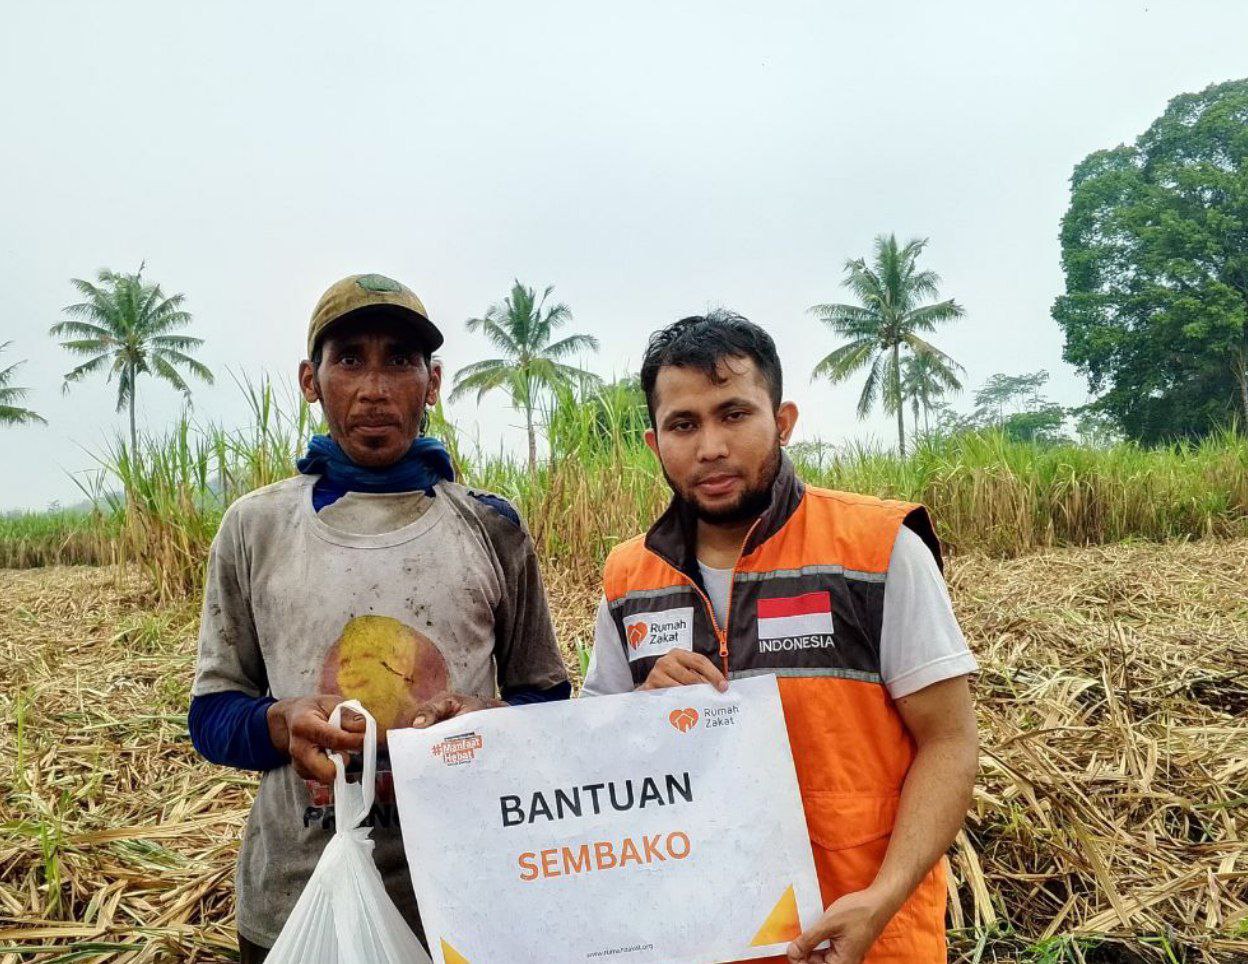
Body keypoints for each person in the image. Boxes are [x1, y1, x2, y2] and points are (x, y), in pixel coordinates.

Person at [188, 273, 569, 961]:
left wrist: (493, 719)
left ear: (433, 383)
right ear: (311, 379)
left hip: (460, 903)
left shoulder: (491, 527)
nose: (373, 387)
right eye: (349, 359)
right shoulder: (257, 527)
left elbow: (545, 700)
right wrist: (280, 722)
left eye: (400, 360)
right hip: (298, 899)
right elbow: (213, 716)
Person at [581, 312, 978, 964]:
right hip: (705, 937)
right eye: (684, 424)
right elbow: (601, 755)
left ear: (783, 421)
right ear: (655, 444)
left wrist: (883, 898)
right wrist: (640, 711)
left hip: (865, 934)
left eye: (733, 413)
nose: (710, 446)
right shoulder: (629, 578)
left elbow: (951, 742)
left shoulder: (877, 550)